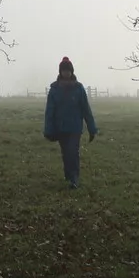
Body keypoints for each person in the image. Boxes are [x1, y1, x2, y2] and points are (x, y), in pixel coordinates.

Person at [42, 56, 98, 188]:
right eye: (64, 71)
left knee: (73, 152)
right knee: (65, 153)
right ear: (60, 72)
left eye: (68, 70)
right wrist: (48, 129)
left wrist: (92, 129)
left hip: (75, 128)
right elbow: (49, 111)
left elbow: (86, 109)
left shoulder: (78, 88)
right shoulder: (55, 90)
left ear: (72, 72)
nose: (66, 73)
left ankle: (74, 178)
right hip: (60, 127)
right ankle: (68, 174)